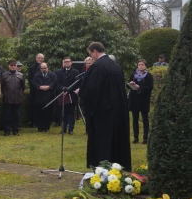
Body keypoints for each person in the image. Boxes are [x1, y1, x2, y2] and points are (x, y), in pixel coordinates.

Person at [79, 42, 132, 170]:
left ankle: (102, 165)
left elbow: (91, 90)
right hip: (117, 111)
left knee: (103, 141)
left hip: (102, 112)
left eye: (91, 54)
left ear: (95, 51)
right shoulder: (116, 66)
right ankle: (117, 165)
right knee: (115, 140)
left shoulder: (98, 67)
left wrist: (84, 100)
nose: (91, 57)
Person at [128, 59, 154, 145]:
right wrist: (131, 84)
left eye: (142, 64)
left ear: (145, 66)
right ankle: (136, 137)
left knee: (145, 119)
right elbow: (128, 85)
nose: (141, 66)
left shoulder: (148, 76)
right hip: (134, 99)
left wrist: (139, 87)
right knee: (135, 119)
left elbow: (150, 87)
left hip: (144, 100)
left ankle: (145, 138)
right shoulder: (134, 75)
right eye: (139, 65)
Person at [55, 57, 80, 135]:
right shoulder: (59, 72)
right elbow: (57, 83)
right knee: (63, 113)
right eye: (65, 62)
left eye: (68, 62)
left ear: (71, 62)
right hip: (62, 94)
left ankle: (71, 129)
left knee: (71, 113)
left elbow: (76, 83)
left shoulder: (76, 72)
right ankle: (64, 128)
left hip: (71, 95)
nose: (66, 63)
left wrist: (68, 90)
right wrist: (62, 89)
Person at [1, 60, 25, 136]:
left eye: (14, 65)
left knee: (16, 115)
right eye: (11, 65)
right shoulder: (4, 75)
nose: (13, 66)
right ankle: (7, 130)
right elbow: (2, 87)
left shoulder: (21, 75)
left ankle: (15, 130)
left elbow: (23, 87)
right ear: (9, 66)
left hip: (18, 99)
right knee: (7, 115)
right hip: (7, 98)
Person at [32, 63, 56, 132]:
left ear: (48, 67)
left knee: (48, 113)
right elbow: (34, 83)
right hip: (39, 97)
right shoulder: (36, 75)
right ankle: (40, 127)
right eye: (42, 68)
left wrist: (49, 86)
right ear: (40, 69)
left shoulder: (53, 75)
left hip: (49, 97)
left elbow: (55, 82)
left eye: (45, 68)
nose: (44, 69)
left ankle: (47, 127)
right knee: (39, 112)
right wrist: (39, 87)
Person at [27, 53, 44, 127]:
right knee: (34, 107)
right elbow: (30, 79)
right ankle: (34, 122)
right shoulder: (32, 68)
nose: (40, 59)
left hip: (43, 92)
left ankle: (41, 121)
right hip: (34, 91)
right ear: (36, 58)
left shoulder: (45, 67)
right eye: (39, 58)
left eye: (42, 58)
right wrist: (37, 86)